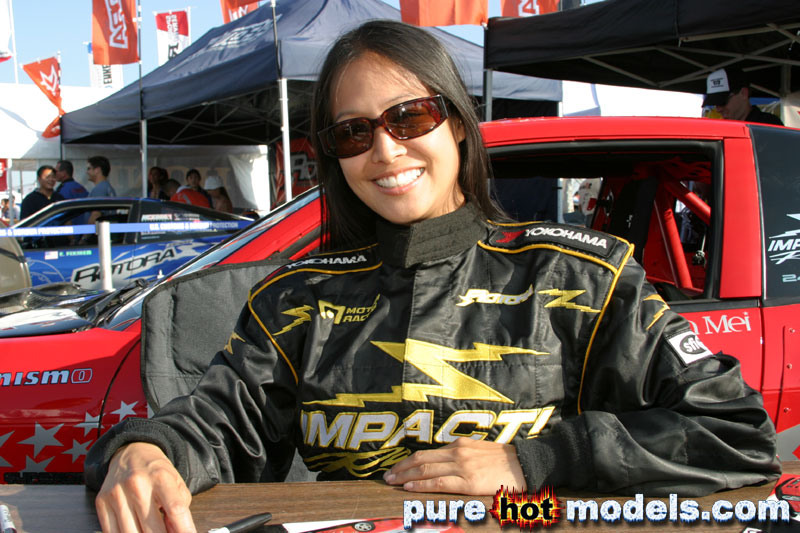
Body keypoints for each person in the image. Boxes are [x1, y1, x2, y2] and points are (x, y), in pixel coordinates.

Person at [86, 20, 780, 533]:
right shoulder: (296, 299)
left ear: (459, 124)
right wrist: (145, 449)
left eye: (410, 116)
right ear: (334, 157)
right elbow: (216, 428)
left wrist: (533, 462)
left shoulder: (579, 277)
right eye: (354, 132)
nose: (385, 149)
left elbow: (734, 430)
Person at [704, 68, 784, 125]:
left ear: (743, 93)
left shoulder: (768, 126)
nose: (718, 109)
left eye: (722, 102)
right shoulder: (721, 128)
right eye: (714, 103)